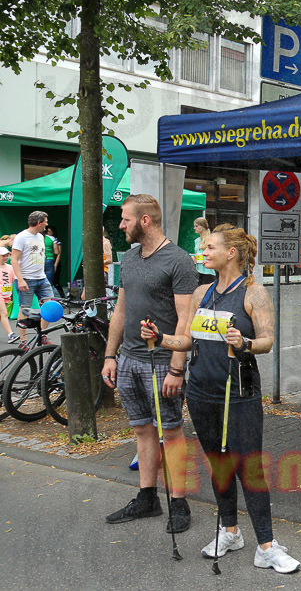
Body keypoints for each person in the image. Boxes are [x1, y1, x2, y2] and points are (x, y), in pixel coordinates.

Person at [141, 224, 301, 573]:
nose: (204, 252)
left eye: (210, 247)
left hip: (239, 392)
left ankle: (267, 545)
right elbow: (185, 341)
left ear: (231, 253)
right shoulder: (202, 293)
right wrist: (160, 337)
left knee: (249, 466)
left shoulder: (254, 293)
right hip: (201, 392)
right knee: (219, 463)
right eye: (204, 247)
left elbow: (267, 341)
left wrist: (242, 343)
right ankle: (230, 531)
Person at [101, 194, 198, 533]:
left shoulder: (179, 260)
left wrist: (176, 368)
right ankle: (147, 497)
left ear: (145, 220)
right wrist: (111, 355)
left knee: (171, 432)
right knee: (142, 429)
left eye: (126, 219)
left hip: (161, 363)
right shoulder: (128, 258)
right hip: (128, 359)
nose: (121, 225)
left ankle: (179, 501)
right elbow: (121, 312)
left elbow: (185, 322)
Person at [10, 211, 55, 345]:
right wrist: (21, 279)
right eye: (45, 222)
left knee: (49, 306)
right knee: (24, 308)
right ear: (39, 222)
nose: (47, 224)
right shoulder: (21, 237)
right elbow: (14, 260)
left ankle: (42, 335)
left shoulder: (41, 237)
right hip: (26, 278)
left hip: (41, 277)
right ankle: (23, 342)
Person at [0, 247, 17, 343]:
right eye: (3, 255)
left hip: (7, 294)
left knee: (2, 315)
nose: (6, 257)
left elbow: (13, 279)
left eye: (7, 255)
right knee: (4, 313)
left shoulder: (10, 267)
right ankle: (11, 334)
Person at [193, 217, 216, 285]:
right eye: (194, 226)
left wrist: (209, 260)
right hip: (198, 270)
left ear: (203, 227)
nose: (194, 228)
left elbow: (216, 253)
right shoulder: (196, 240)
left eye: (196, 226)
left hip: (209, 272)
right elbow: (197, 253)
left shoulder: (212, 239)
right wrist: (194, 257)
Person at [43, 227, 64, 297]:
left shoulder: (55, 240)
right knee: (50, 282)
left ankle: (62, 296)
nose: (49, 233)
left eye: (50, 231)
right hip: (50, 261)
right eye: (47, 231)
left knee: (55, 281)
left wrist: (55, 265)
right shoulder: (52, 239)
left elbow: (59, 254)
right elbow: (57, 252)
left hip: (54, 262)